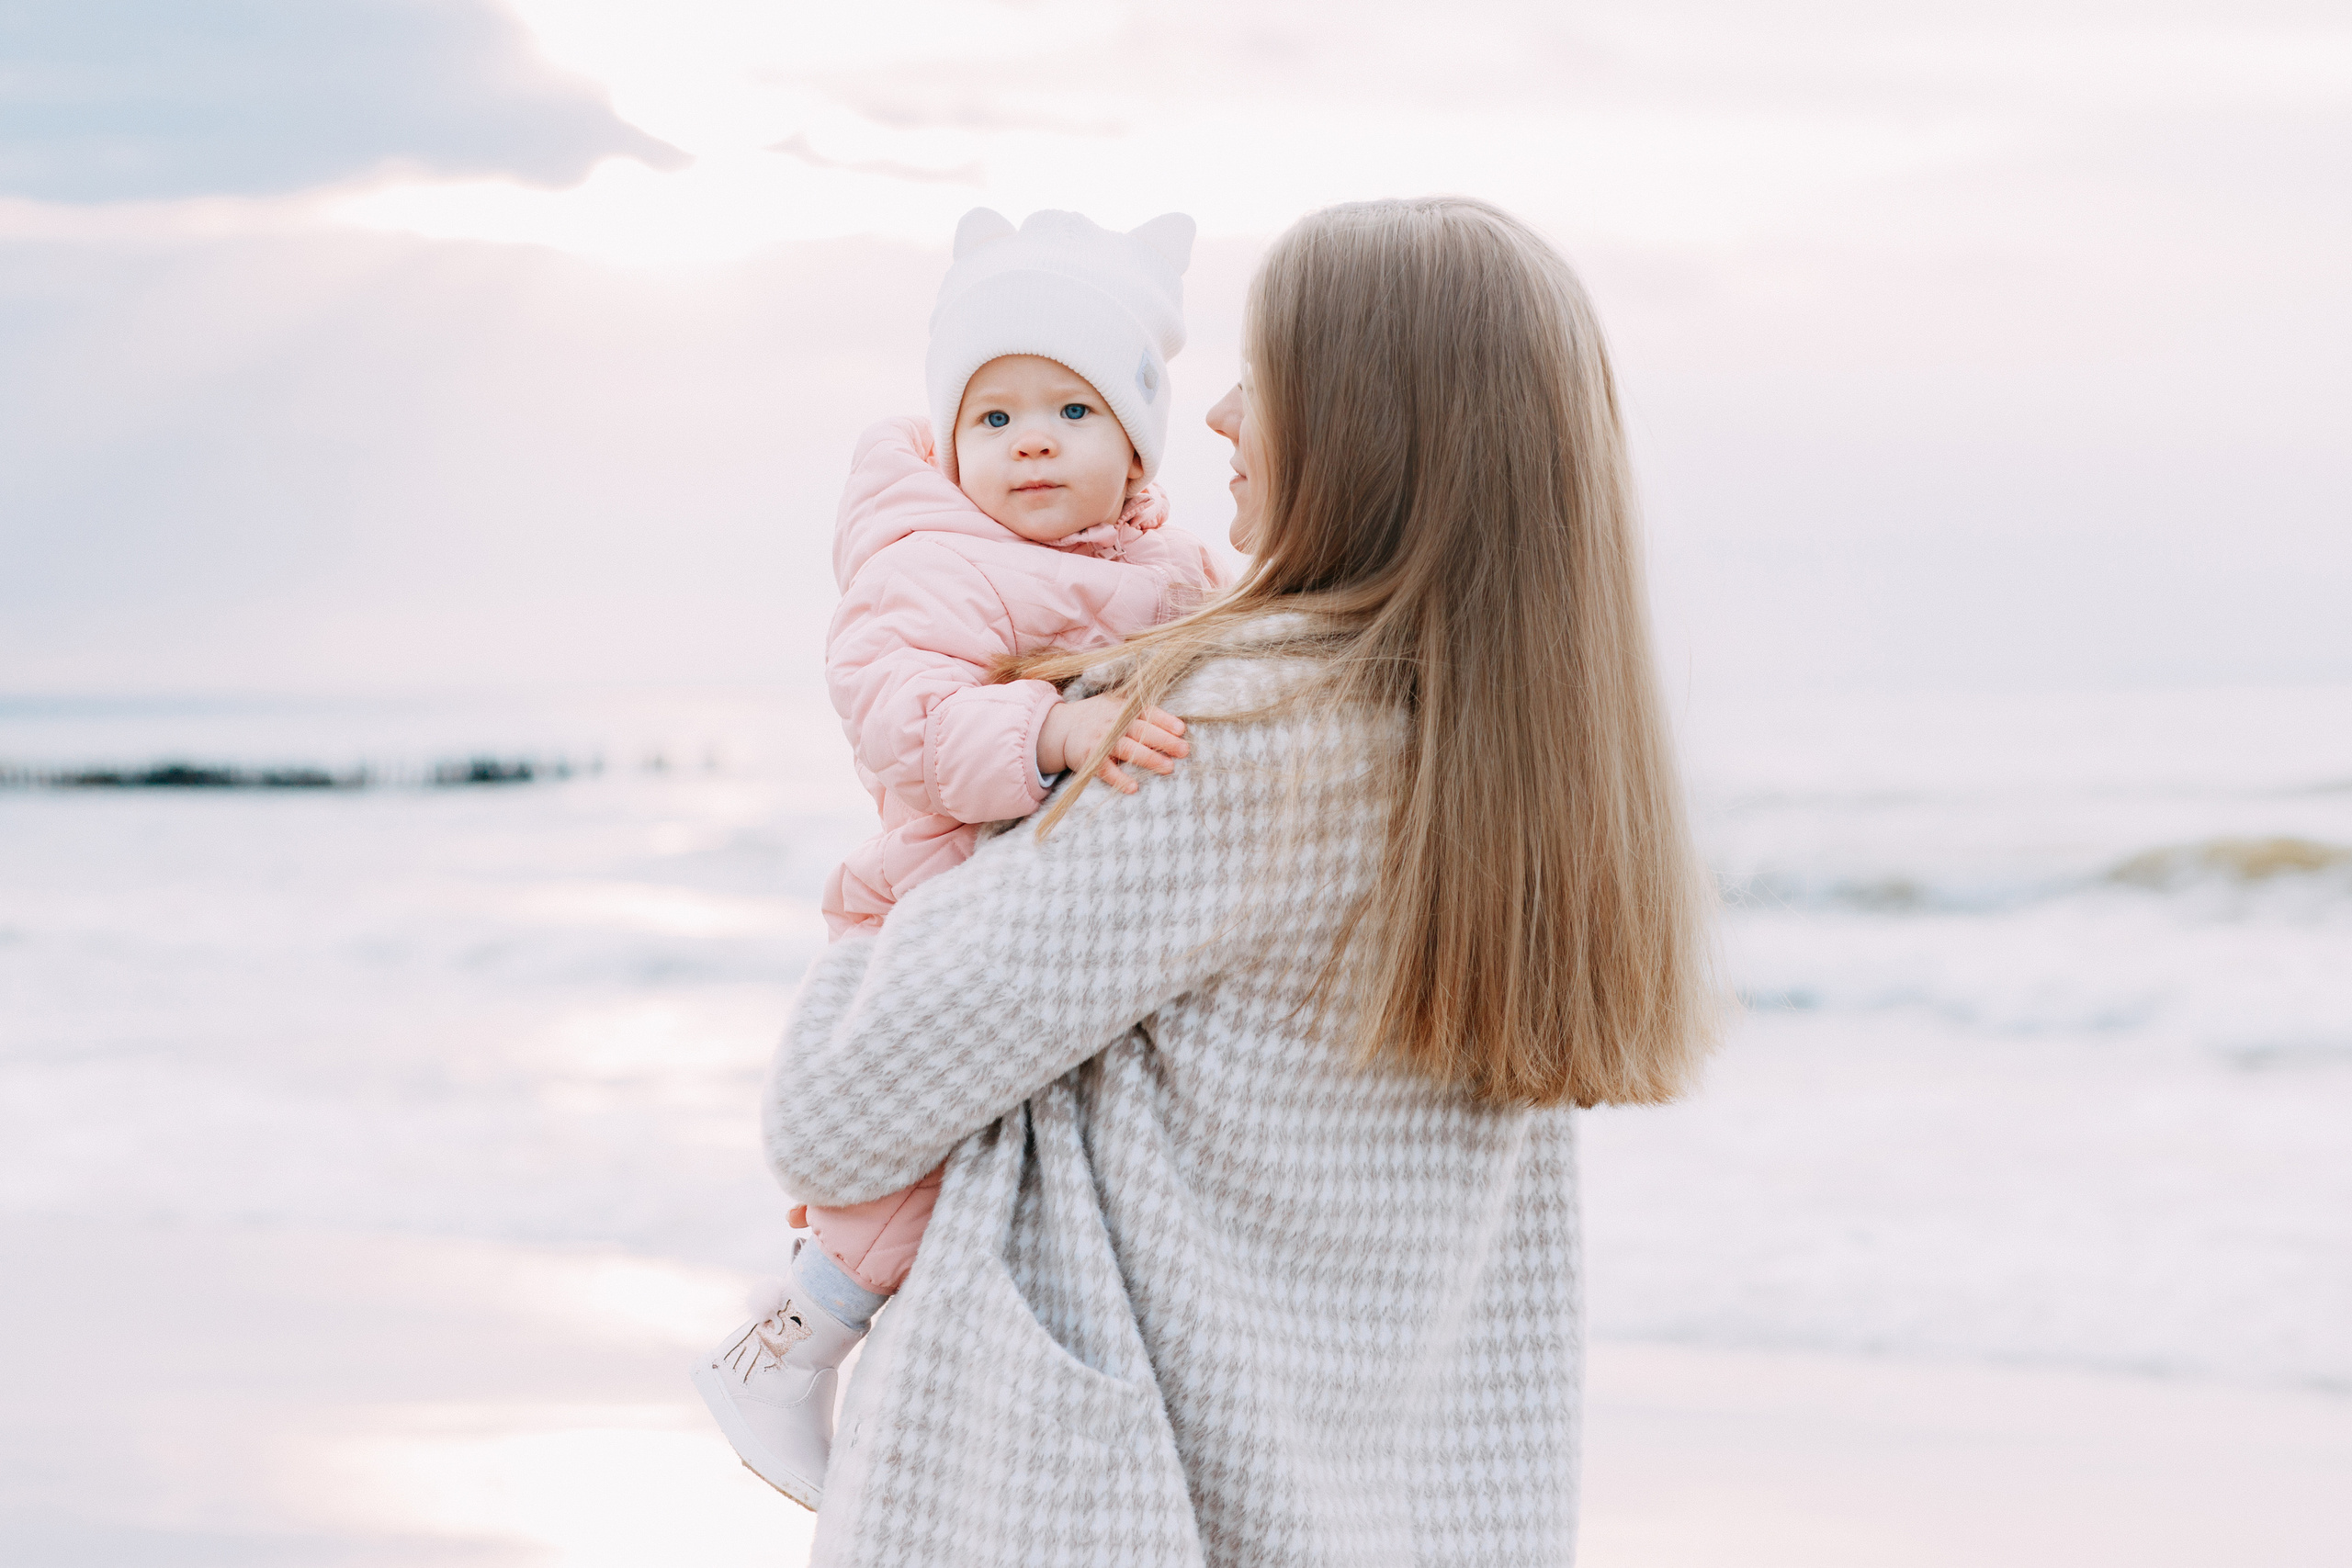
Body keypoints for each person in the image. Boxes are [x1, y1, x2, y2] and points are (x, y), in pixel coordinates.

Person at [770, 196, 1719, 1566]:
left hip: (1119, 1514)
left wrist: (905, 872)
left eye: (1263, 374)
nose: (1215, 414)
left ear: (1365, 419)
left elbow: (838, 1113)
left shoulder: (1238, 732)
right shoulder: (1517, 770)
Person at [691, 207, 1227, 1508]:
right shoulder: (931, 560)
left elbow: (1235, 629)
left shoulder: (1160, 566)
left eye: (1072, 412)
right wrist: (1050, 725)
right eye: (992, 419)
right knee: (918, 1144)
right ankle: (790, 1337)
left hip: (1025, 898)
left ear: (1137, 442)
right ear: (948, 441)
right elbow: (897, 710)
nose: (1029, 440)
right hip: (928, 889)